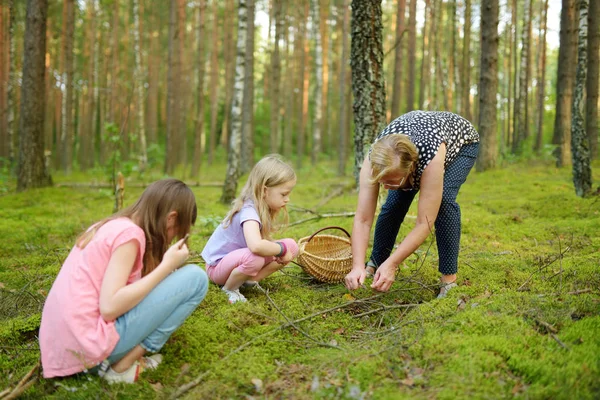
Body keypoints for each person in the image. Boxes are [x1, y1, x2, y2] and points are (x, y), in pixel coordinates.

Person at [39, 179, 209, 384]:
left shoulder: (110, 226)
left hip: (63, 353)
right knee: (196, 278)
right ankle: (122, 368)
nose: (172, 239)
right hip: (89, 352)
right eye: (177, 232)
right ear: (171, 219)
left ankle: (116, 363)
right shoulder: (130, 235)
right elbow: (110, 307)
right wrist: (165, 268)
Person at [344, 111, 479, 298]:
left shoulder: (431, 160)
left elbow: (425, 223)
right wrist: (356, 265)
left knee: (444, 202)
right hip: (415, 144)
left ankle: (449, 281)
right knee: (393, 205)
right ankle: (374, 265)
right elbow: (363, 219)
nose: (386, 186)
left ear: (411, 168)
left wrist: (393, 264)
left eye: (392, 181)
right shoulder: (373, 161)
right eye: (382, 181)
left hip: (461, 143)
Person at [202, 155, 299, 304]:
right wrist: (281, 249)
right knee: (256, 256)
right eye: (284, 194)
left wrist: (285, 249)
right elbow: (256, 246)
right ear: (264, 190)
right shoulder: (249, 212)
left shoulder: (262, 208)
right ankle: (229, 288)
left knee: (292, 246)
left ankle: (250, 281)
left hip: (238, 260)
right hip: (217, 268)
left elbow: (264, 243)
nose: (287, 199)